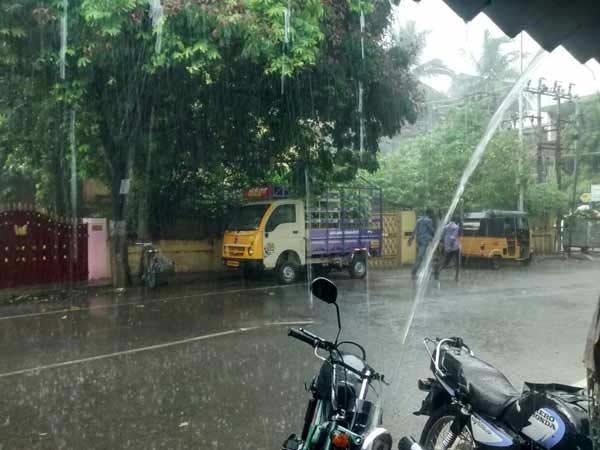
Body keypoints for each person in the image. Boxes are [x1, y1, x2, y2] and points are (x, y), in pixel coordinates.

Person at [408, 209, 435, 280]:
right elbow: (431, 230)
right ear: (429, 214)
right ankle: (414, 272)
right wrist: (436, 235)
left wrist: (411, 239)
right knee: (421, 256)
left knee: (423, 256)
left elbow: (415, 230)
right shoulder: (428, 220)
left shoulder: (418, 220)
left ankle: (428, 272)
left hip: (419, 241)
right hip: (425, 241)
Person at [434, 216, 461, 282]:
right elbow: (453, 237)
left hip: (447, 247)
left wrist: (444, 245)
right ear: (455, 220)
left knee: (446, 262)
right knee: (457, 262)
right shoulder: (456, 227)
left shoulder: (445, 227)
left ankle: (438, 272)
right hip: (455, 247)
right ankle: (456, 277)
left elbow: (442, 237)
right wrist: (451, 244)